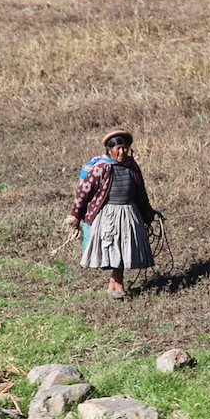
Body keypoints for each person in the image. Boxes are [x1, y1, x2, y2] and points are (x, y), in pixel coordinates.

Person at [65, 128, 157, 300]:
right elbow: (83, 192)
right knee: (113, 249)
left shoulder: (132, 167)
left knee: (123, 249)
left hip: (129, 213)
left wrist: (147, 212)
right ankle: (116, 285)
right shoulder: (101, 168)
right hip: (108, 216)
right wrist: (75, 214)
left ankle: (116, 285)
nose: (122, 152)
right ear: (109, 149)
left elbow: (140, 192)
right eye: (118, 149)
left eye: (124, 148)